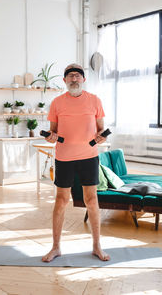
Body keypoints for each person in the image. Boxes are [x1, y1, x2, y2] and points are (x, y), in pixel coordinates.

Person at [42, 63, 110, 262]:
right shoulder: (57, 102)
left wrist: (101, 136)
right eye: (70, 76)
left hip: (89, 155)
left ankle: (97, 246)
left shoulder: (94, 100)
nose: (74, 79)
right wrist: (51, 137)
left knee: (92, 200)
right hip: (64, 157)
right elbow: (53, 130)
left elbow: (100, 129)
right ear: (64, 81)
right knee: (61, 200)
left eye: (77, 76)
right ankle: (55, 247)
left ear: (83, 79)